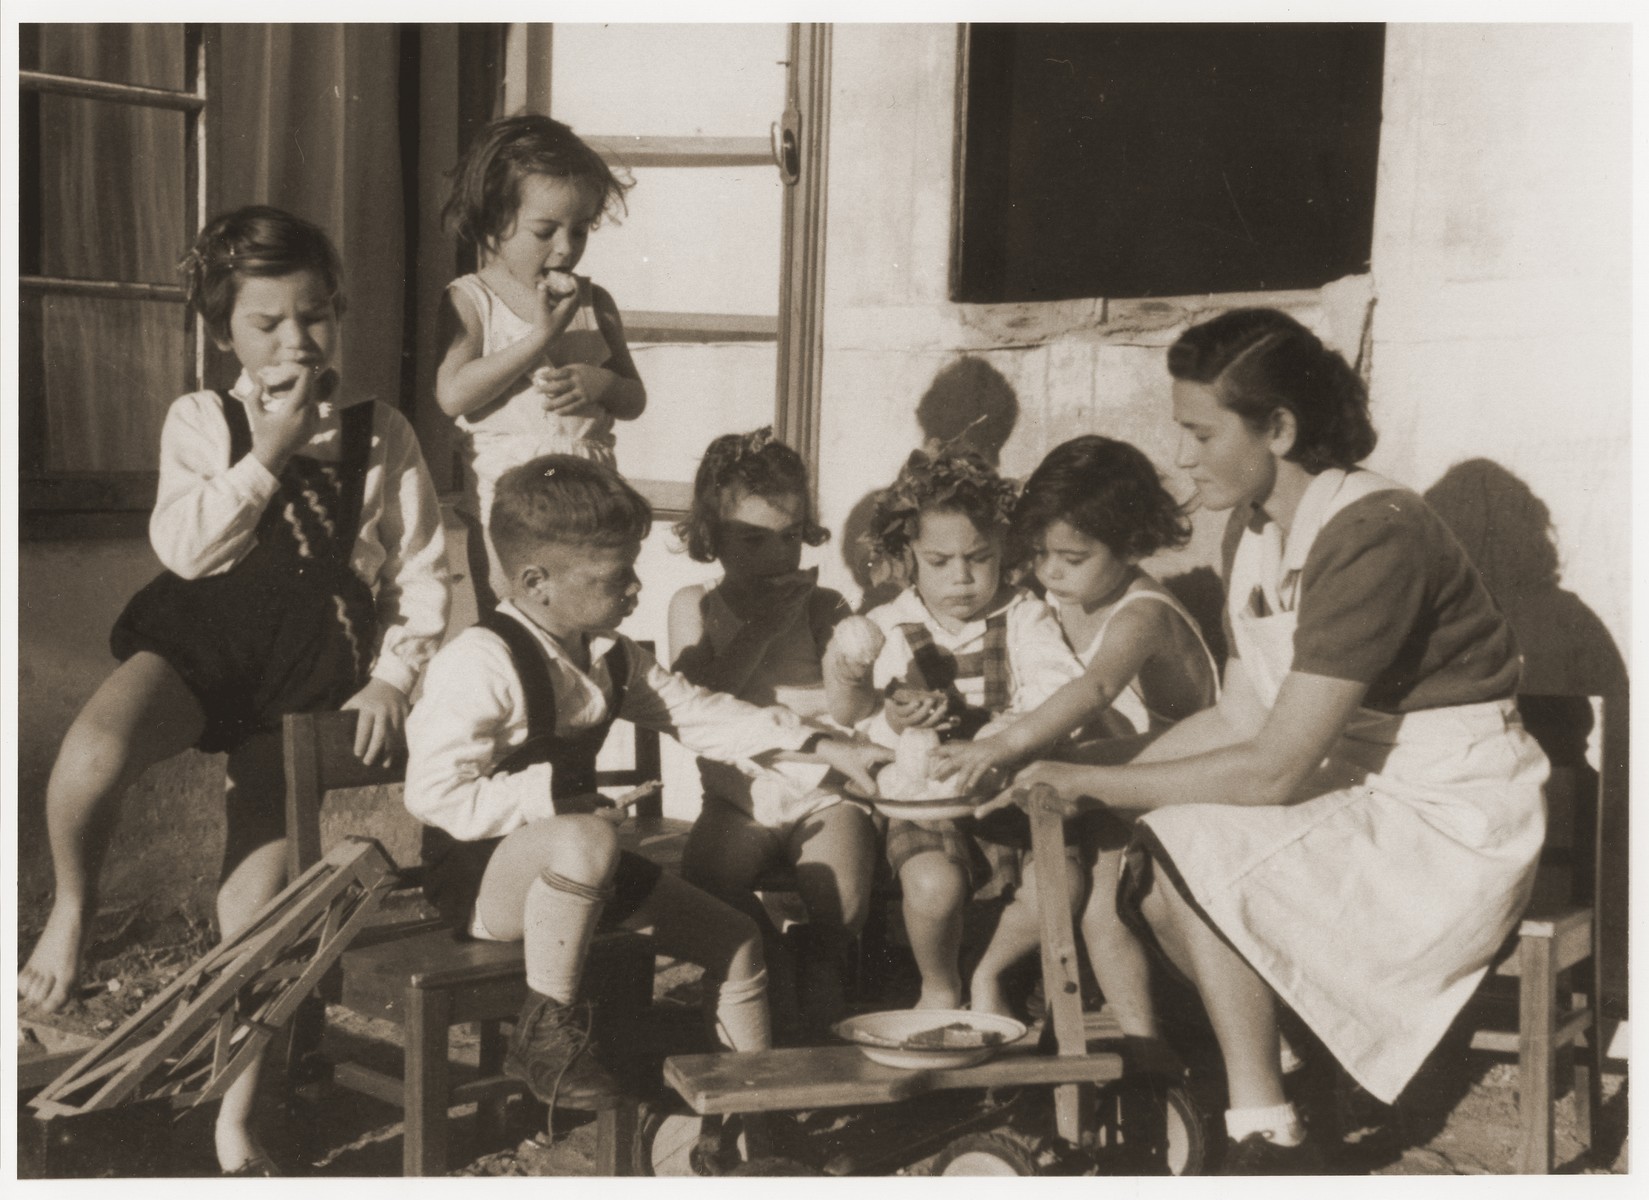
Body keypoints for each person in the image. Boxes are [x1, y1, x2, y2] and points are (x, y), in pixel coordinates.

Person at [983, 308, 1548, 1173]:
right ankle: (1286, 1085)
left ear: (1278, 428)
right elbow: (1242, 719)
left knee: (1183, 843)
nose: (1181, 456)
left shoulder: (1372, 531)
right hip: (1353, 773)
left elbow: (1276, 767)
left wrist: (1086, 780)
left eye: (1199, 432)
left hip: (1445, 808)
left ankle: (1269, 1125)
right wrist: (1056, 767)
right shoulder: (1253, 526)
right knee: (1161, 863)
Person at [18, 206, 450, 1174]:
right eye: (267, 324)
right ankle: (73, 909)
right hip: (204, 641)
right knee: (91, 752)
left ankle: (234, 1115)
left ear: (337, 316)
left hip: (311, 667)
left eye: (315, 317)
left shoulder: (382, 435)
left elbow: (421, 574)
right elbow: (183, 550)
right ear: (224, 333)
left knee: (255, 910)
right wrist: (267, 452)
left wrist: (390, 678)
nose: (296, 340)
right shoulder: (201, 418)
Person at [404, 455, 889, 1111]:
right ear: (534, 581)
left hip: (582, 867)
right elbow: (433, 795)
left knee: (737, 939)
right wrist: (550, 800)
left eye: (631, 568)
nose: (634, 587)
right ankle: (545, 1031)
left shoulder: (609, 657)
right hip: (483, 877)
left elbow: (702, 713)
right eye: (614, 576)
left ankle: (750, 1120)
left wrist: (819, 741)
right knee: (583, 841)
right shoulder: (480, 661)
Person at [932, 435, 1218, 1027]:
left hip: (1174, 775)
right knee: (1069, 888)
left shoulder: (1141, 616)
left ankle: (1149, 1041)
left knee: (1103, 912)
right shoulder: (1068, 595)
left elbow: (1092, 691)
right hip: (1112, 778)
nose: (1051, 572)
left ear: (1132, 543)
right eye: (1039, 554)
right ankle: (1121, 1029)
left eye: (1072, 557)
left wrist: (1003, 744)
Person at [823, 447, 1082, 1011]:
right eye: (940, 562)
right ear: (908, 555)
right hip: (926, 802)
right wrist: (894, 721)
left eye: (979, 558)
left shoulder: (1023, 615)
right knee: (933, 887)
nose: (961, 578)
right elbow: (858, 716)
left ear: (1004, 550)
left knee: (1060, 882)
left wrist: (1001, 737)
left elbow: (1057, 690)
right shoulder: (888, 622)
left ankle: (990, 971)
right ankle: (939, 984)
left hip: (1003, 791)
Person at [668, 428, 876, 1039]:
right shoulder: (696, 606)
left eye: (790, 538)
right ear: (711, 537)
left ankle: (818, 963)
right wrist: (758, 629)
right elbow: (698, 704)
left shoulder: (824, 604)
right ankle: (768, 962)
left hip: (824, 787)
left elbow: (852, 707)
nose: (777, 559)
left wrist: (853, 657)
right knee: (706, 887)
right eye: (753, 540)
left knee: (840, 900)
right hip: (740, 792)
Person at [435, 113, 646, 608]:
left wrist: (602, 384)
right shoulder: (472, 299)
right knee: (513, 610)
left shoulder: (596, 302)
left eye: (580, 231)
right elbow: (452, 394)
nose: (565, 249)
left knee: (588, 607)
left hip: (587, 503)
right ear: (492, 221)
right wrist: (540, 337)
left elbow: (634, 398)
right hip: (509, 506)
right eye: (545, 230)